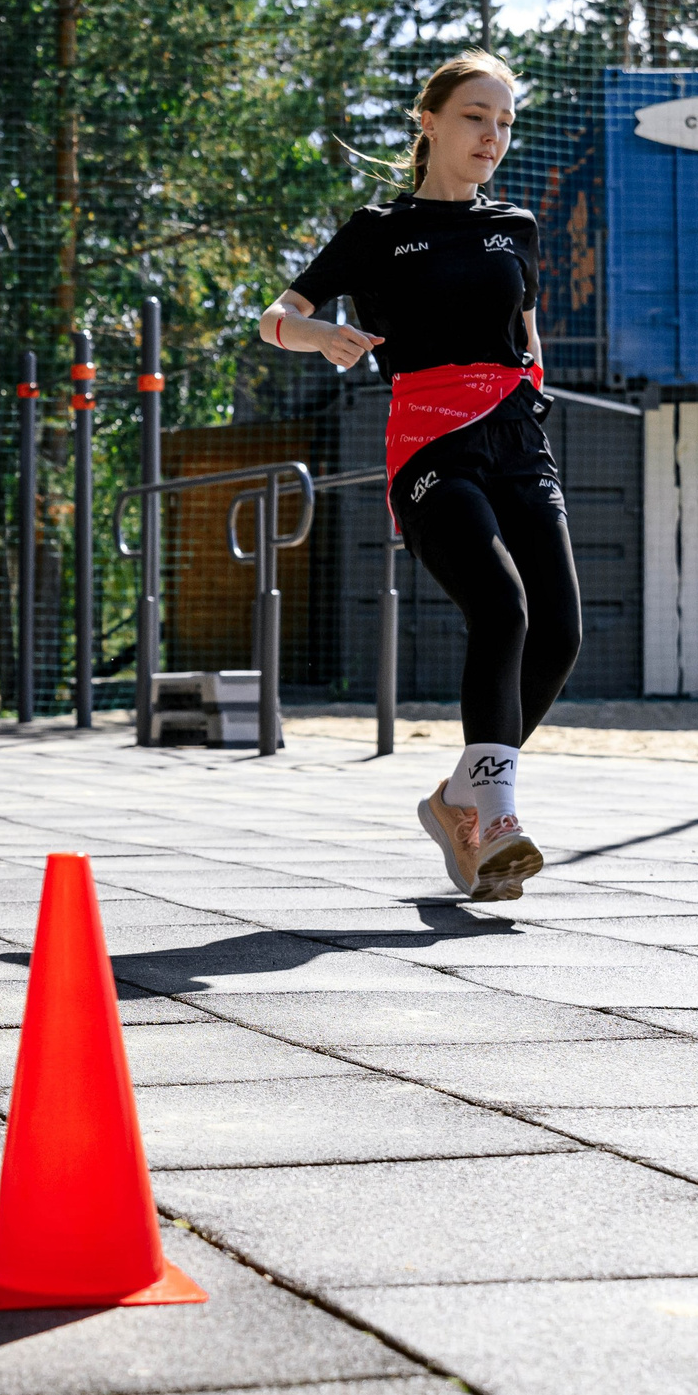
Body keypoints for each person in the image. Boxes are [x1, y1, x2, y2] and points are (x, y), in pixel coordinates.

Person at [260, 49, 579, 901]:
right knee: (501, 604)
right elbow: (275, 318)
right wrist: (319, 336)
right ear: (429, 121)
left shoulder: (517, 228)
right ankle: (497, 816)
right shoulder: (376, 231)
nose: (493, 135)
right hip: (432, 444)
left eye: (506, 121)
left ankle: (457, 800)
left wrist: (535, 404)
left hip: (517, 434)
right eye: (477, 116)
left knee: (560, 631)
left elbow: (528, 334)